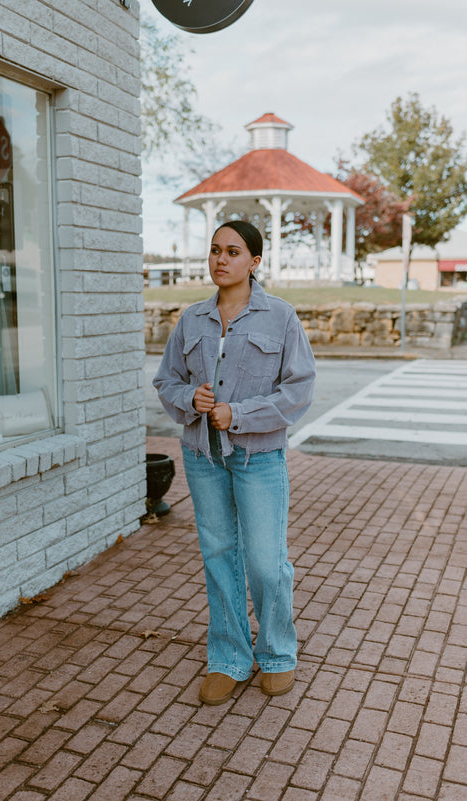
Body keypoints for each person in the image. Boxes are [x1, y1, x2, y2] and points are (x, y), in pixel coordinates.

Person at [153, 220, 316, 705]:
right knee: (220, 557)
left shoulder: (281, 317)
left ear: (255, 261)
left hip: (258, 458)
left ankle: (277, 653)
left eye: (233, 251)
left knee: (266, 564)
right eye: (215, 250)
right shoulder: (192, 319)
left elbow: (299, 389)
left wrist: (238, 413)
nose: (221, 259)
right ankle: (229, 658)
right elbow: (166, 382)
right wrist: (192, 398)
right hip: (203, 457)